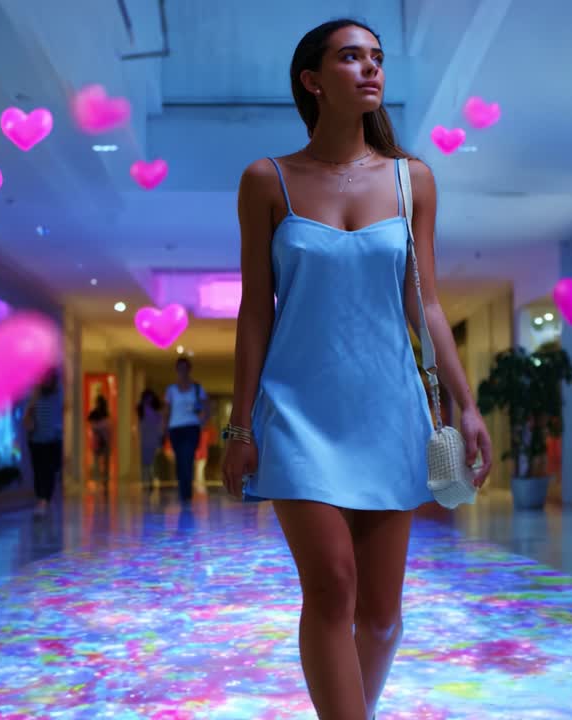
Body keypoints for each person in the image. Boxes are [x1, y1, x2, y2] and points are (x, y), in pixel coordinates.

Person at [220, 19, 493, 720]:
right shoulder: (266, 180)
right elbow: (256, 313)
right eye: (351, 58)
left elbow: (425, 301)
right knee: (332, 587)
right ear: (313, 80)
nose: (371, 69)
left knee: (379, 617)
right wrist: (239, 425)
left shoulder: (413, 181)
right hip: (297, 413)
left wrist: (464, 406)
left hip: (390, 412)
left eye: (376, 57)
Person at [162, 357, 210, 502]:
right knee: (180, 458)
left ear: (189, 369)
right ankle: (183, 489)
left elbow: (206, 407)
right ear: (176, 370)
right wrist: (164, 429)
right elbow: (167, 410)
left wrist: (203, 420)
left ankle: (186, 491)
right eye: (179, 368)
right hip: (175, 428)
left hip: (191, 427)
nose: (182, 371)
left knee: (188, 457)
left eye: (185, 368)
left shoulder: (197, 388)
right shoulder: (171, 390)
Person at [24, 369, 63, 517]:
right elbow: (28, 411)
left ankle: (45, 499)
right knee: (39, 471)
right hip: (36, 438)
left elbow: (61, 409)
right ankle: (42, 499)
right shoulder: (34, 392)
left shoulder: (58, 392)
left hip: (52, 439)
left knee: (49, 471)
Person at [136, 389, 164, 490]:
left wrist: (160, 441)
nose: (148, 401)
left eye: (150, 399)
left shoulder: (157, 413)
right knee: (145, 463)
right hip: (145, 440)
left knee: (152, 463)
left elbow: (160, 427)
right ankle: (146, 482)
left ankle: (150, 481)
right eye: (146, 398)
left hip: (153, 440)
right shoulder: (141, 411)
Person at [87, 394, 112, 481]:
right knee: (102, 460)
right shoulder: (103, 414)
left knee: (98, 460)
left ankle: (101, 477)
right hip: (102, 440)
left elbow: (91, 424)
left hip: (100, 440)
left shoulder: (97, 413)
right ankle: (103, 477)